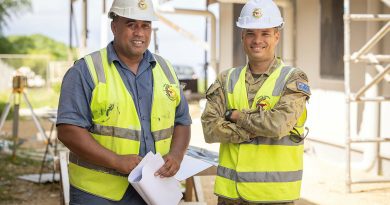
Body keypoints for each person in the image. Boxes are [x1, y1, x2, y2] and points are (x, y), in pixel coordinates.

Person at [56, 0, 191, 204]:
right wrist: (116, 161)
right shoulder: (85, 71)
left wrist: (176, 155)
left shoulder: (166, 70)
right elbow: (68, 131)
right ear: (114, 26)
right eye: (131, 24)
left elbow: (182, 120)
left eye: (145, 25)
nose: (139, 32)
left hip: (153, 189)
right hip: (97, 194)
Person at [201, 0, 310, 204]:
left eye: (265, 33)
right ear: (242, 36)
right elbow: (209, 129)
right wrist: (256, 128)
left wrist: (235, 116)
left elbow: (277, 125)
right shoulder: (226, 79)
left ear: (276, 36)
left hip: (274, 197)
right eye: (250, 33)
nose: (257, 40)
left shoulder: (294, 79)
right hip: (230, 195)